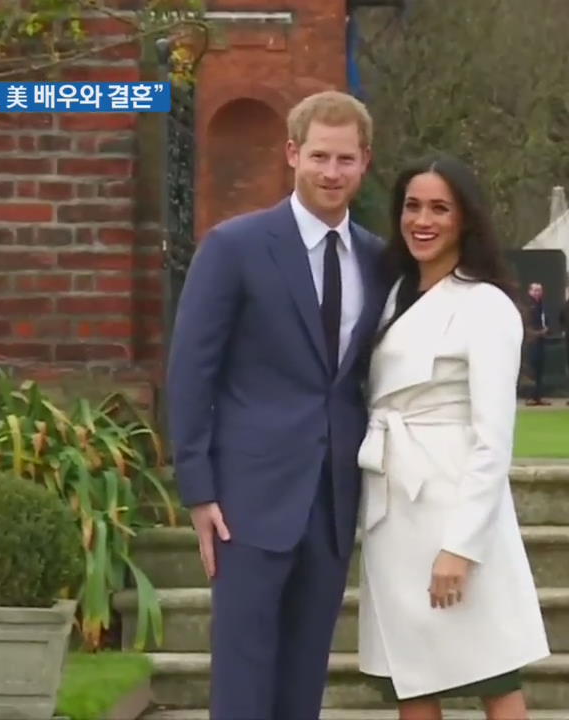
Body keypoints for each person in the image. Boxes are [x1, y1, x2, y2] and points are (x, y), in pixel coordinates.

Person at [164, 90, 389, 720]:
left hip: (333, 497)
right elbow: (190, 373)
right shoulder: (234, 246)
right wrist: (198, 491)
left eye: (345, 159)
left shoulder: (377, 259)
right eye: (319, 155)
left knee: (303, 678)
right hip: (246, 498)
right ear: (292, 153)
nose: (331, 172)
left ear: (364, 162)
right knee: (242, 675)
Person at [356, 154, 550, 720]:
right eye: (412, 206)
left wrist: (460, 546)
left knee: (492, 671)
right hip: (392, 504)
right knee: (411, 676)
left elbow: (493, 440)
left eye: (440, 208)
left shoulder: (486, 305)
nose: (423, 220)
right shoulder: (392, 295)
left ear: (465, 219)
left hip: (452, 504)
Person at [523, 282, 550, 405]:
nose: (537, 292)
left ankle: (538, 396)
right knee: (531, 369)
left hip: (541, 342)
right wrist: (537, 333)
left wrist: (545, 331)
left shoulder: (542, 305)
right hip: (530, 342)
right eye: (535, 290)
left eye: (539, 290)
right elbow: (526, 326)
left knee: (540, 369)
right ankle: (530, 396)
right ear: (530, 291)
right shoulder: (526, 305)